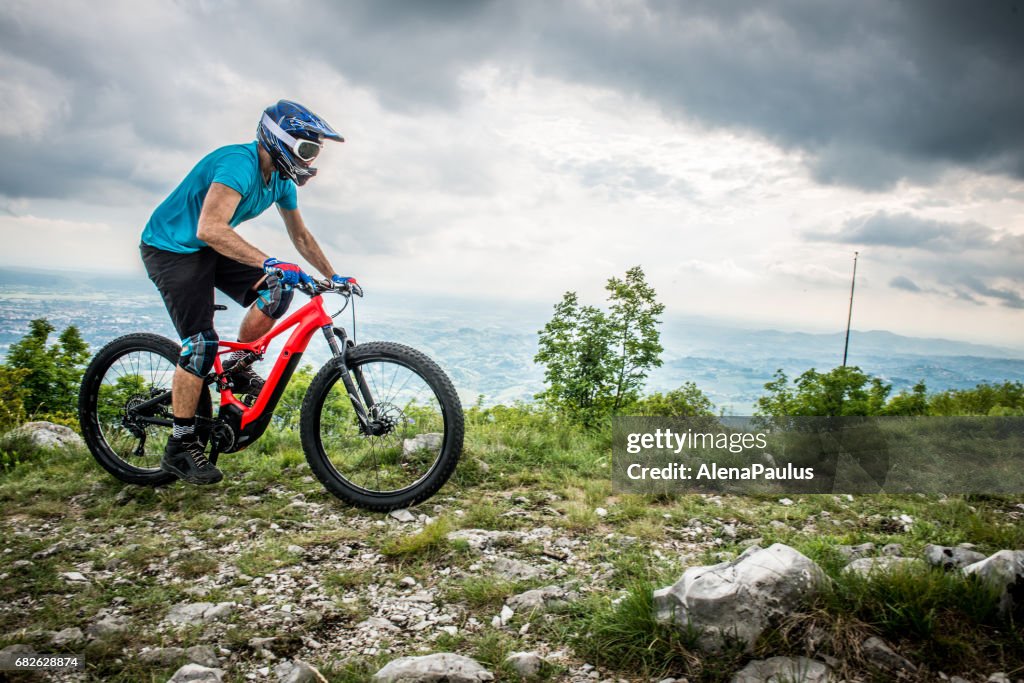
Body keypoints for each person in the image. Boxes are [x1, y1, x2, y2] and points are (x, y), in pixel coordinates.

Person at [140, 100, 356, 485]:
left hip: (207, 247)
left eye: (315, 152)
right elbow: (209, 228)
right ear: (280, 141)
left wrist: (333, 276)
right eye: (306, 150)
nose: (309, 161)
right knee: (200, 345)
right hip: (171, 248)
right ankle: (179, 445)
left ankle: (239, 370)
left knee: (278, 289)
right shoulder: (237, 165)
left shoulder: (280, 181)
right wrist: (270, 260)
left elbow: (301, 235)